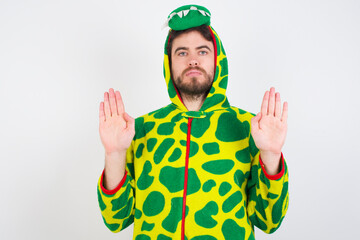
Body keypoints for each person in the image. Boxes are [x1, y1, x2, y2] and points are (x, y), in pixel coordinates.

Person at [97, 4, 289, 240]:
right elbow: (116, 220)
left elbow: (268, 221)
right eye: (182, 52)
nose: (193, 60)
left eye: (202, 51)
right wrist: (114, 154)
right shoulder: (141, 130)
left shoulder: (250, 128)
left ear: (217, 59)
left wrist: (271, 154)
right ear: (169, 62)